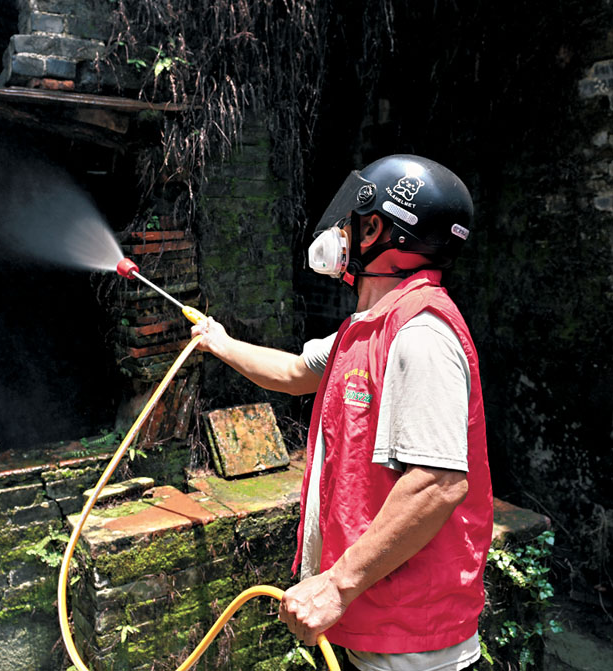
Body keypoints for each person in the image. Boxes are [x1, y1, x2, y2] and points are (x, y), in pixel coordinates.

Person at [191, 154, 492, 671]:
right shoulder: (367, 328)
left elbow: (437, 482)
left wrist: (333, 585)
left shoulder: (421, 334)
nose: (341, 234)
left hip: (410, 643)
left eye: (352, 221)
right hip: (373, 619)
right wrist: (218, 343)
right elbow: (290, 373)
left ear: (375, 228)